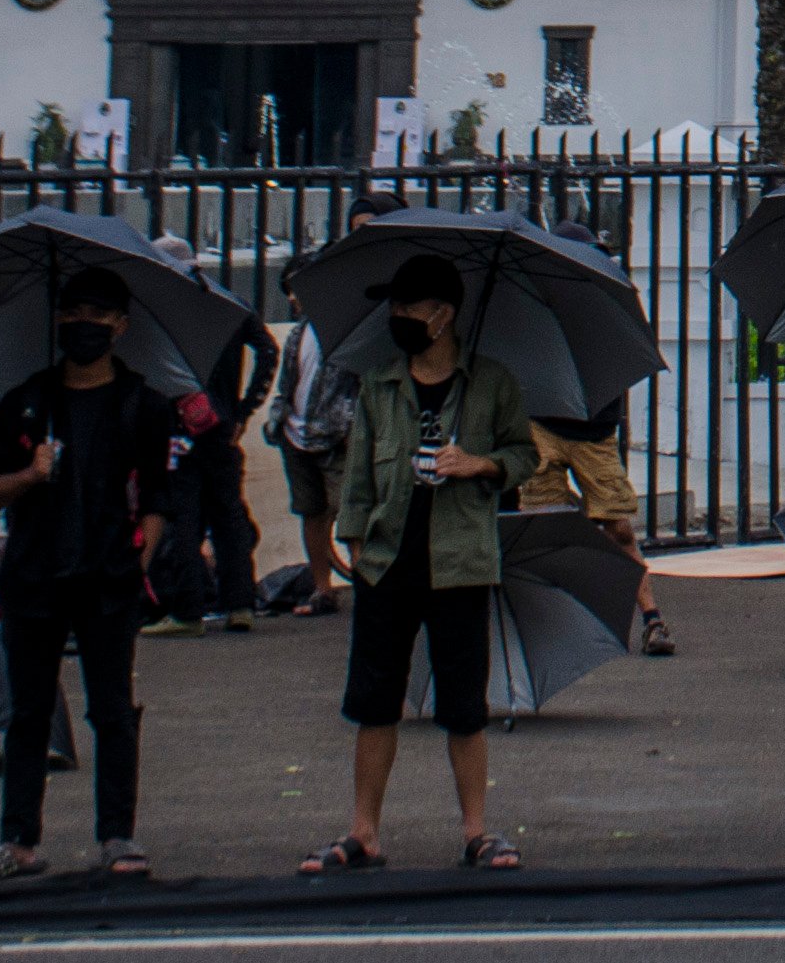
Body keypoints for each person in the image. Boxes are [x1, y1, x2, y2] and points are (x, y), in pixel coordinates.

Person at [303, 254, 538, 875]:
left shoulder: (490, 383)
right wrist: (352, 545)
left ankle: (477, 832)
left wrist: (478, 464)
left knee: (463, 704)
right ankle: (363, 831)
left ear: (443, 315)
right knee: (375, 701)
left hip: (460, 562)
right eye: (395, 308)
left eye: (411, 308)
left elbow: (524, 455)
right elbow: (358, 477)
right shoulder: (381, 386)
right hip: (387, 563)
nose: (399, 318)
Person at [0, 267, 175, 881]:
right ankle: (18, 839)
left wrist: (141, 559)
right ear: (58, 320)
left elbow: (161, 496)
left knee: (112, 709)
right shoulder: (26, 402)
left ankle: (117, 835)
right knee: (28, 713)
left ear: (120, 327)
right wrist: (30, 474)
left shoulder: (143, 406)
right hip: (33, 579)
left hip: (109, 581)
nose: (86, 325)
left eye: (99, 316)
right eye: (74, 312)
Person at [527, 220, 671, 659]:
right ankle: (551, 622)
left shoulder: (610, 304)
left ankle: (652, 618)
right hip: (542, 427)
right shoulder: (536, 305)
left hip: (594, 432)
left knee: (619, 528)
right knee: (540, 526)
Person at [265, 192, 396, 618]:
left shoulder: (358, 319)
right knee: (312, 512)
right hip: (298, 431)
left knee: (354, 513)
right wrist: (279, 419)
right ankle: (324, 588)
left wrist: (345, 424)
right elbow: (291, 377)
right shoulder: (302, 331)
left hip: (339, 434)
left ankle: (367, 585)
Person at [144, 234, 262, 636]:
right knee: (228, 516)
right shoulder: (229, 302)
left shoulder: (167, 308)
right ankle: (240, 605)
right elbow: (269, 351)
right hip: (223, 427)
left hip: (180, 426)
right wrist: (245, 408)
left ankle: (188, 610)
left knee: (185, 518)